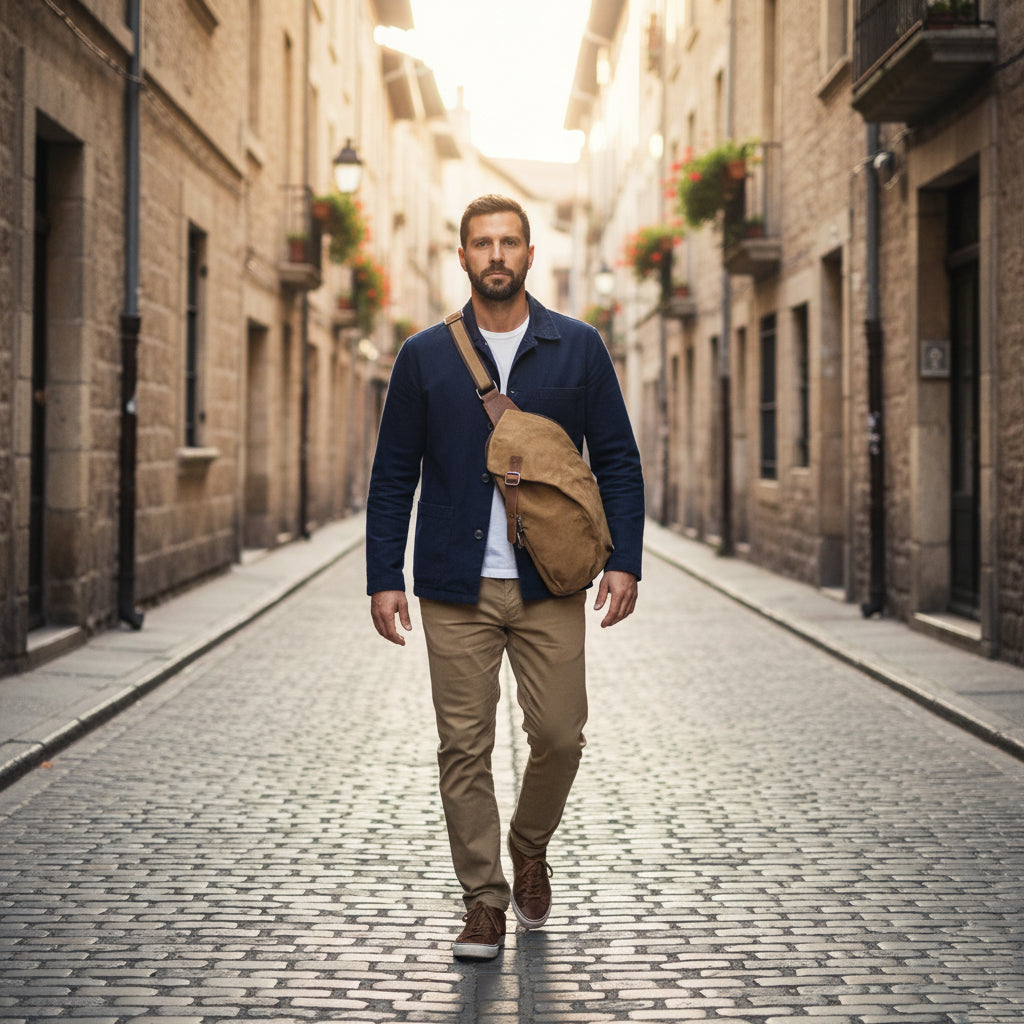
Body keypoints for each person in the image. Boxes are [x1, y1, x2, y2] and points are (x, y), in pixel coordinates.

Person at [366, 194, 644, 960]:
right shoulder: (424, 356)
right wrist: (383, 574)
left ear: (528, 254)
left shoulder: (578, 347)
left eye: (509, 243)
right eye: (481, 244)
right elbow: (394, 475)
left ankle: (528, 844)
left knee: (559, 733)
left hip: (549, 581)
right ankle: (483, 899)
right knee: (463, 745)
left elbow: (616, 458)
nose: (495, 255)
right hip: (452, 582)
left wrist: (624, 560)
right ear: (462, 258)